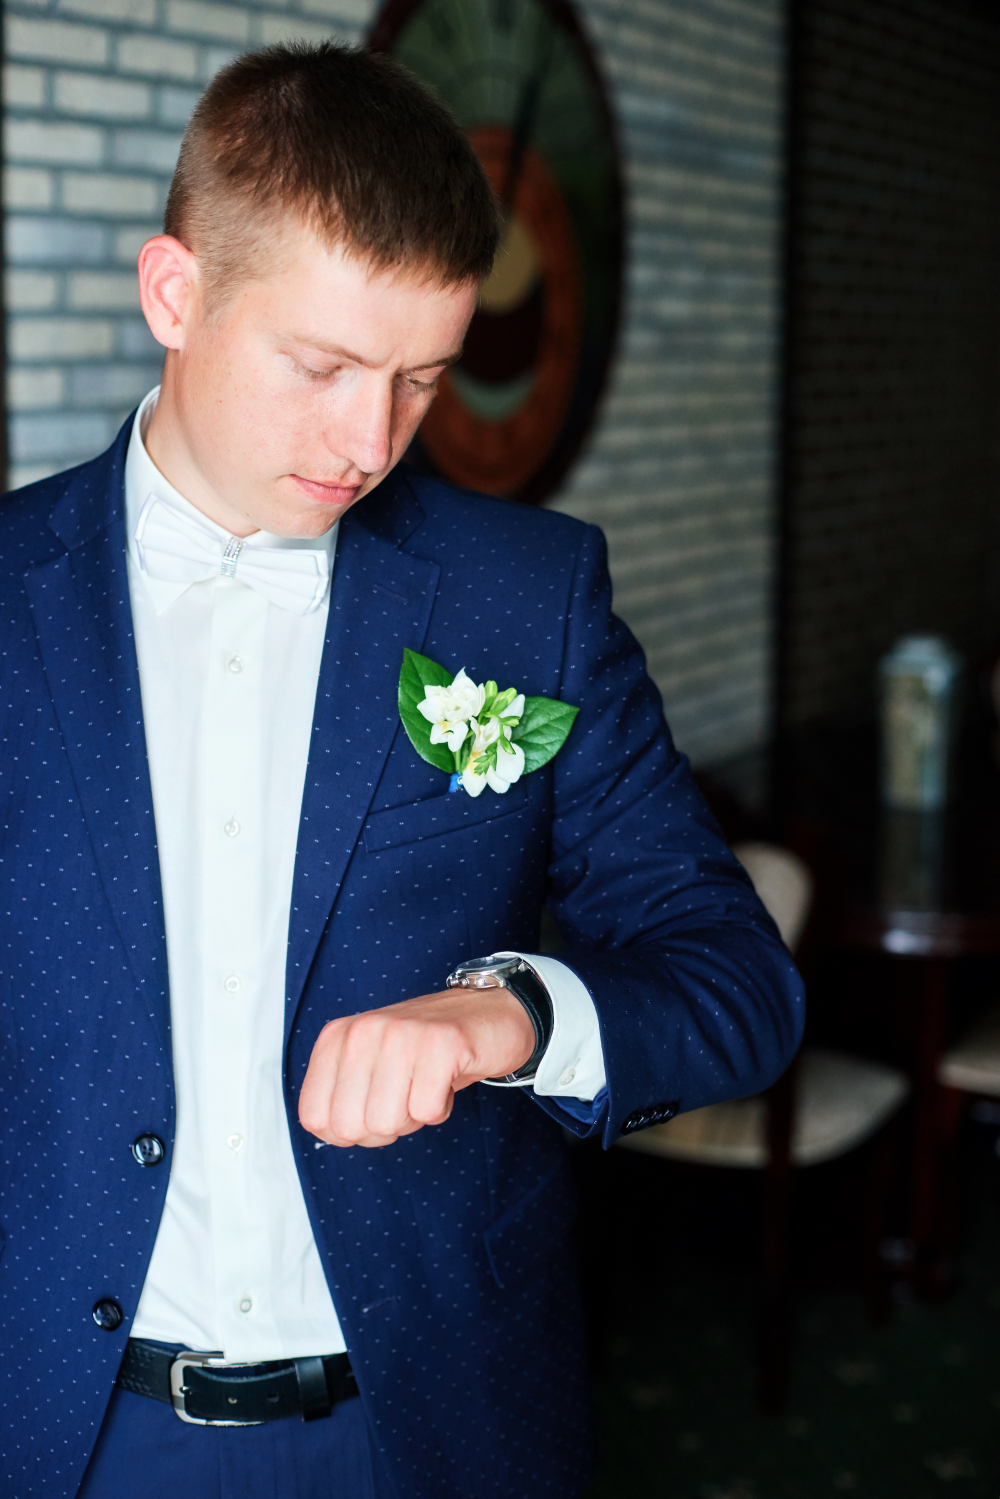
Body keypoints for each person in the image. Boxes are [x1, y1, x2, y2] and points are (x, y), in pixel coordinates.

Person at [0, 41, 804, 1499]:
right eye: (321, 367)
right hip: (60, 1426)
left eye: (420, 381)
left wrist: (514, 1015)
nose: (368, 441)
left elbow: (738, 985)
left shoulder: (528, 600)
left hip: (434, 1424)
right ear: (174, 295)